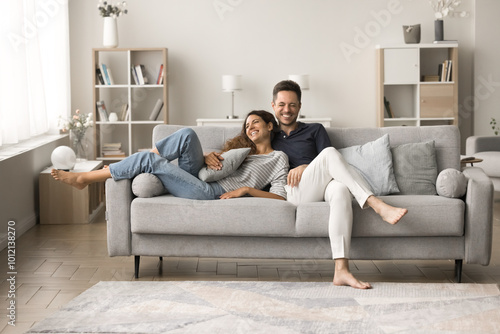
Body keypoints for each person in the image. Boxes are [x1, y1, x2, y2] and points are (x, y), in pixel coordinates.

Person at [270, 80, 408, 289]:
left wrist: (307, 166)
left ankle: (341, 271)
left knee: (342, 190)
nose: (286, 110)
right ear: (273, 106)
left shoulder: (315, 130)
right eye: (281, 104)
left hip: (320, 185)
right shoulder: (269, 135)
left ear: (300, 106)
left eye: (292, 105)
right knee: (328, 154)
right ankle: (376, 204)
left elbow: (332, 165)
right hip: (293, 190)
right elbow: (242, 152)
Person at [51, 110, 289, 202]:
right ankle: (148, 158)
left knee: (148, 161)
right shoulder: (240, 149)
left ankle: (84, 179)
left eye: (255, 122)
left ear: (270, 126)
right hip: (200, 176)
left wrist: (246, 190)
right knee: (187, 134)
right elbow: (218, 166)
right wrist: (206, 156)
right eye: (247, 125)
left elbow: (280, 197)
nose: (249, 127)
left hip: (210, 191)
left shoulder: (277, 158)